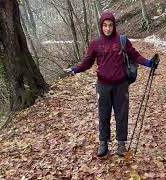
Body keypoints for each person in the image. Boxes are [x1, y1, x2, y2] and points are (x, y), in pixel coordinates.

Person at [66, 11, 157, 157]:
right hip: (103, 85)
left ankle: (121, 144)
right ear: (101, 26)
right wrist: (75, 69)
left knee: (122, 114)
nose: (107, 28)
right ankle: (103, 143)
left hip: (121, 85)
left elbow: (134, 55)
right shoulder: (95, 44)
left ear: (114, 25)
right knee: (104, 114)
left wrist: (149, 63)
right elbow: (87, 63)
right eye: (105, 25)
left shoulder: (122, 40)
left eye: (110, 25)